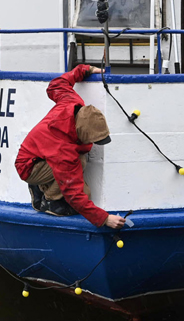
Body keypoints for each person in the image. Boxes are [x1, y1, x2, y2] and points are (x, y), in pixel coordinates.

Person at [15, 64, 126, 230]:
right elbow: (74, 194)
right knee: (82, 186)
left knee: (79, 170)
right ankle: (50, 200)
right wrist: (104, 218)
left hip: (39, 156)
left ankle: (42, 186)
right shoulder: (63, 149)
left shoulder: (73, 103)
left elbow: (56, 85)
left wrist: (85, 70)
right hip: (28, 167)